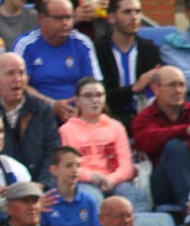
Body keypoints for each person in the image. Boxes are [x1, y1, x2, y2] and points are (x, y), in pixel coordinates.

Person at [133, 68, 190, 211]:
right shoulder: (144, 118)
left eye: (182, 85)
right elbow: (147, 141)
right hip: (166, 182)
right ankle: (189, 209)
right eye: (172, 85)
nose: (178, 90)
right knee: (175, 146)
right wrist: (187, 130)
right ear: (156, 89)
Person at [0, 54, 61, 183]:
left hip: (38, 188)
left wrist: (43, 184)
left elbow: (53, 151)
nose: (17, 79)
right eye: (10, 73)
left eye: (21, 73)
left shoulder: (41, 109)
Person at [61, 78, 144, 217]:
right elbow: (68, 167)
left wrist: (112, 179)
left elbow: (126, 167)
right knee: (93, 199)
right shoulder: (67, 130)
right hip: (85, 182)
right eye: (88, 96)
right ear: (78, 101)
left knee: (135, 197)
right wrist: (91, 176)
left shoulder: (116, 127)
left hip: (115, 181)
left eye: (99, 95)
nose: (95, 100)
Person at [13, 0, 103, 123]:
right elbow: (19, 86)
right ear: (42, 19)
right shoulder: (26, 45)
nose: (65, 23)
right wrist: (51, 105)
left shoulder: (83, 43)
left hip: (78, 116)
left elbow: (94, 86)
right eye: (59, 18)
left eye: (69, 17)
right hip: (37, 116)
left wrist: (81, 108)